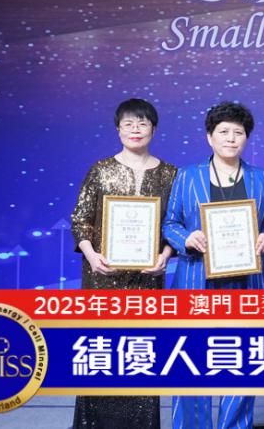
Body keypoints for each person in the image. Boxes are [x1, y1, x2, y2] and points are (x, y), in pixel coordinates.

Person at [162, 101, 264, 429]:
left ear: (246, 138)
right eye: (223, 131)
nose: (230, 138)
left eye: (238, 132)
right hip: (197, 279)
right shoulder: (187, 175)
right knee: (192, 359)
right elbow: (169, 223)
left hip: (247, 282)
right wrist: (187, 237)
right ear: (209, 137)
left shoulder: (260, 178)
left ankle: (234, 425)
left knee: (241, 359)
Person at [70, 98, 176, 429]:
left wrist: (165, 256)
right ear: (118, 129)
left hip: (147, 280)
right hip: (103, 278)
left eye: (142, 123)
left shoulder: (170, 174)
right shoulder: (100, 170)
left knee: (140, 354)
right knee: (102, 353)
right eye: (128, 123)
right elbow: (80, 220)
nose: (135, 129)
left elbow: (175, 225)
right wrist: (91, 255)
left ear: (154, 129)